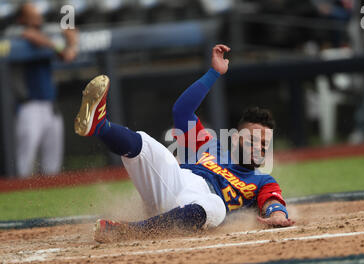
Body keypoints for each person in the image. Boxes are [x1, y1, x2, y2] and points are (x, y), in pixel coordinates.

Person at [74, 44, 294, 242]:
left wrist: (277, 216)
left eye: (265, 144)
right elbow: (182, 111)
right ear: (235, 138)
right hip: (174, 182)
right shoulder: (209, 145)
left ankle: (129, 231)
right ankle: (99, 126)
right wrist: (214, 73)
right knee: (145, 143)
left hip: (200, 206)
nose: (259, 147)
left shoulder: (262, 179)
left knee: (217, 206)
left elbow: (273, 203)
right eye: (253, 139)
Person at [5, 3, 78, 177]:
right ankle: (21, 200)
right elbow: (31, 35)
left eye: (37, 14)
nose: (37, 17)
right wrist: (59, 47)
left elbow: (70, 31)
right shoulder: (14, 32)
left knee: (52, 165)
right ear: (21, 18)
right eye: (32, 15)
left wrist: (71, 43)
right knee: (24, 165)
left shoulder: (47, 32)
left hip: (51, 107)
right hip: (28, 107)